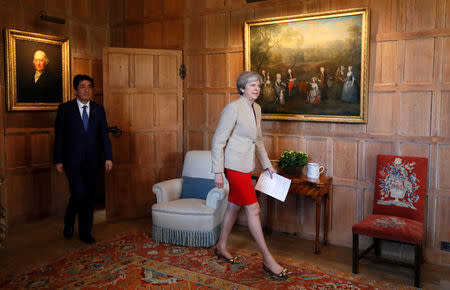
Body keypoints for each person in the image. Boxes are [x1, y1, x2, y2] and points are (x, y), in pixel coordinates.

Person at [211, 71, 290, 280]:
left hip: (247, 166)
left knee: (233, 206)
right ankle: (267, 259)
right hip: (233, 167)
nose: (257, 89)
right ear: (242, 88)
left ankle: (221, 245)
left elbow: (259, 140)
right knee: (253, 209)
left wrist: (267, 166)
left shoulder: (257, 108)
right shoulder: (232, 108)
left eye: (259, 85)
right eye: (252, 85)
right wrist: (218, 171)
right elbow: (218, 141)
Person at [54, 74, 113, 244]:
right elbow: (59, 137)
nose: (86, 90)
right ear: (75, 90)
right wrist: (58, 160)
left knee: (89, 196)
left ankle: (85, 232)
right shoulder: (65, 109)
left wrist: (108, 157)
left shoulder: (98, 109)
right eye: (82, 86)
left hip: (93, 161)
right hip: (72, 161)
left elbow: (104, 135)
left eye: (89, 86)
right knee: (79, 193)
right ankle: (70, 218)